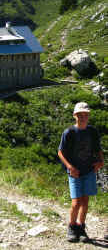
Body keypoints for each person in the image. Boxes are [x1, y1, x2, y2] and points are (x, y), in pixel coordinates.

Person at [58, 102, 104, 243]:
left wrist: (101, 161)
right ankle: (71, 226)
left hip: (89, 170)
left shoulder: (92, 132)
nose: (83, 117)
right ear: (74, 116)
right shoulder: (69, 132)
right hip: (75, 172)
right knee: (76, 201)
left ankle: (81, 227)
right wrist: (70, 167)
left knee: (85, 200)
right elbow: (60, 152)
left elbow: (98, 149)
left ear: (88, 116)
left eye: (85, 115)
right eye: (80, 115)